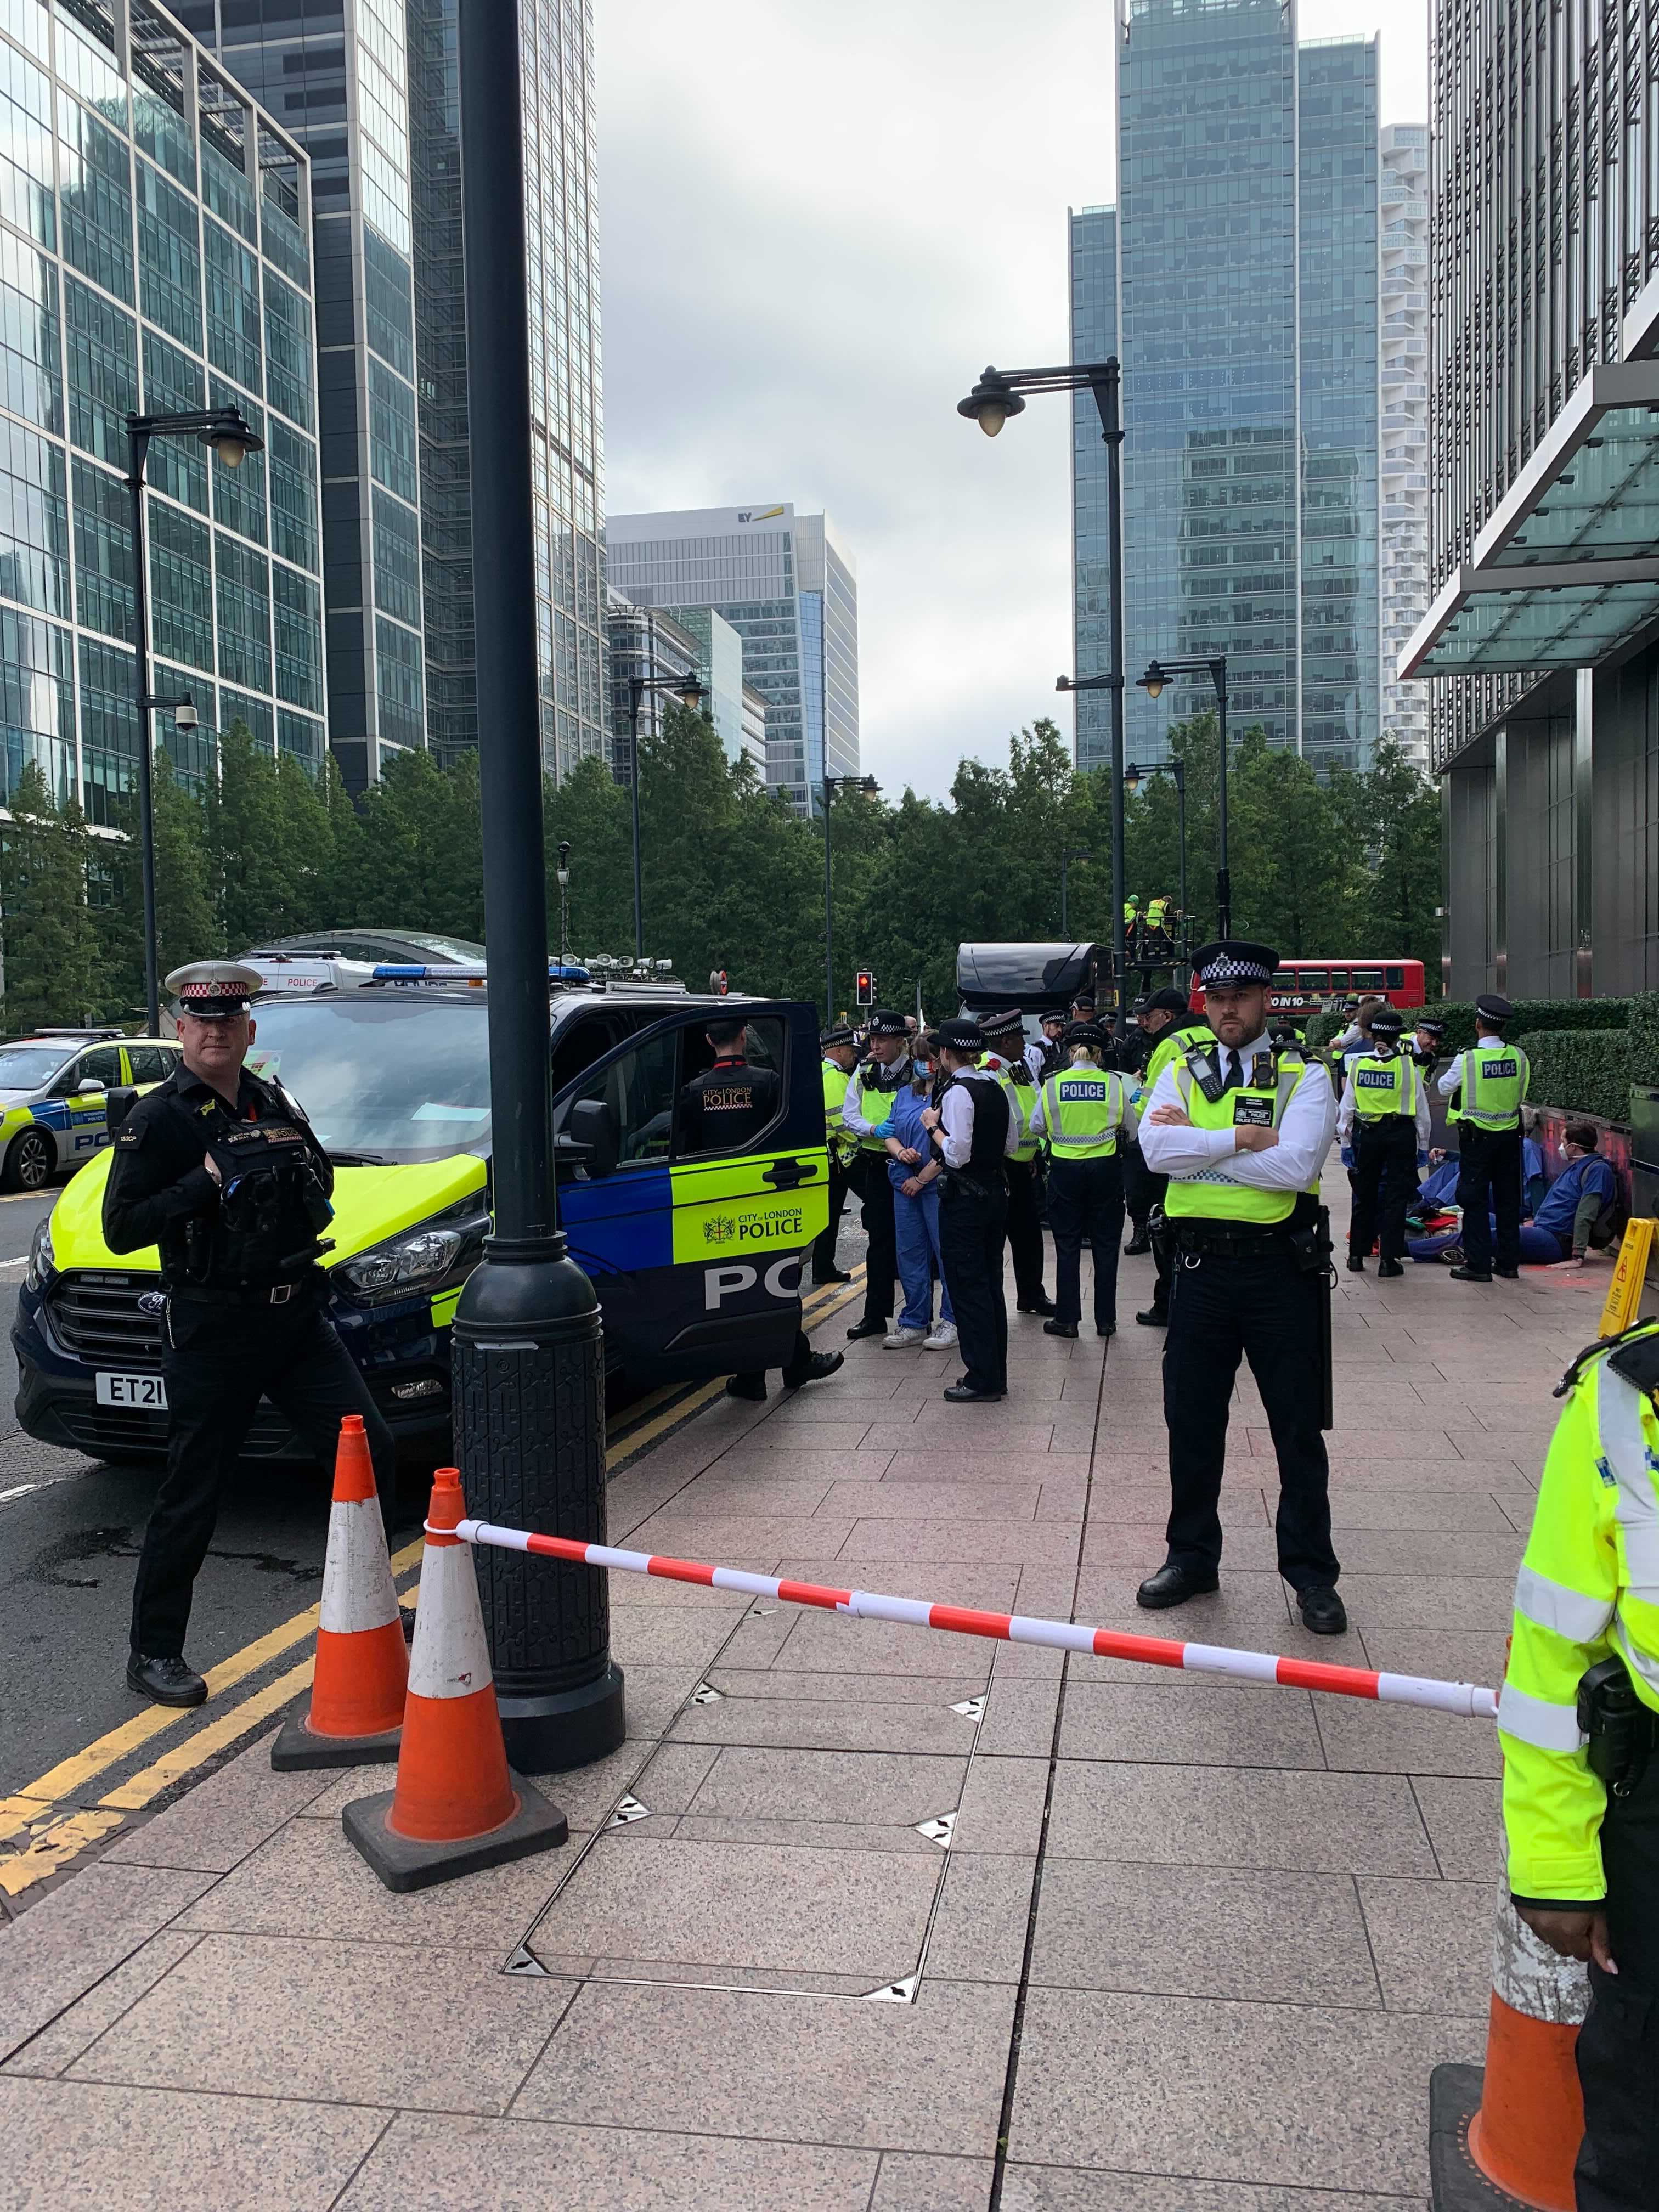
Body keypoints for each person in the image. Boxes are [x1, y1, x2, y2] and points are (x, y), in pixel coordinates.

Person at [106, 963, 398, 1709]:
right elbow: (122, 1228)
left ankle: (376, 1612)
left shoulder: (271, 1098)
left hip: (295, 1316)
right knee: (193, 1492)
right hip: (214, 1324)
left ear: (249, 1030)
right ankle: (155, 1652)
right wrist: (206, 1179)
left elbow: (321, 1181)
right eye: (201, 1020)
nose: (215, 1031)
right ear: (180, 1029)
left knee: (371, 1458)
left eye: (229, 1019)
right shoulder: (158, 1118)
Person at [1494, 1317, 1659, 2212]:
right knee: (1637, 2114)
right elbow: (1554, 1650)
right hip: (1651, 1812)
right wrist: (1554, 1864)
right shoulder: (1626, 1397)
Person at [1136, 940, 1345, 1634]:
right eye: (1218, 999)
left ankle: (1312, 1574)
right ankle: (1191, 1557)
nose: (1230, 1009)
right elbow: (1157, 1152)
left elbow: (1292, 1170)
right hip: (1197, 1273)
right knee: (1192, 1422)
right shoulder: (1181, 1067)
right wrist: (1244, 1138)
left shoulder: (1304, 1074)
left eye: (1243, 997)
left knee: (1296, 1427)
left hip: (1279, 1272)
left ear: (1264, 1001)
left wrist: (1203, 1142)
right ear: (1205, 1003)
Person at [680, 1015, 845, 1402]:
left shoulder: (693, 1091)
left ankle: (753, 1376)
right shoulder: (768, 1083)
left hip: (714, 1204)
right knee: (775, 1283)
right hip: (764, 1200)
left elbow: (687, 1150)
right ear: (743, 1036)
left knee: (735, 1291)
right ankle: (791, 1365)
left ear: (708, 1040)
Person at [921, 1017, 1018, 1402]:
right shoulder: (996, 1085)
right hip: (995, 1191)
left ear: (945, 1053)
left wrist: (933, 1127)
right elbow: (1012, 1143)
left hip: (965, 1200)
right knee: (991, 1285)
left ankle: (982, 1377)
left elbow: (957, 1154)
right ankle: (996, 1372)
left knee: (967, 1285)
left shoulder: (958, 1093)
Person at [1028, 1020, 1135, 1339]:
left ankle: (1067, 1320)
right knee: (1106, 1245)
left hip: (1065, 1171)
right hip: (1105, 1170)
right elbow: (1132, 1130)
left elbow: (1036, 1127)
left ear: (1070, 1050)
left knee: (1067, 1246)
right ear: (1100, 1054)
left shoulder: (1053, 1084)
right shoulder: (1113, 1083)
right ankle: (1106, 1321)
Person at [1437, 992, 1531, 1283]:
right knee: (1507, 1200)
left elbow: (1442, 1088)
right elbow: (1522, 1092)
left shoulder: (1468, 1059)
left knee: (1474, 1201)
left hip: (1477, 1141)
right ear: (1502, 1027)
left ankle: (1477, 1265)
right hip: (1509, 1138)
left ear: (1478, 1024)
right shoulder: (1518, 1055)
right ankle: (1508, 1264)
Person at [1135, 987, 1215, 1324]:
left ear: (1167, 1016)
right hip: (1206, 1138)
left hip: (1172, 1142)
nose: (1144, 1024)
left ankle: (1166, 1303)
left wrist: (1133, 1105)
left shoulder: (1171, 1043)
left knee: (1163, 1228)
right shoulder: (1209, 1034)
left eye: (1149, 1016)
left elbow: (1148, 1103)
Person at [1338, 1007, 1430, 1278]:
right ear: (1396, 1039)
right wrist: (1422, 1146)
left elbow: (1347, 1109)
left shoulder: (1359, 1064)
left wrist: (1345, 1143)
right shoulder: (1408, 1067)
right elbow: (1422, 1114)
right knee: (1395, 1198)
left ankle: (1357, 1255)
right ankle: (1388, 1261)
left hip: (1366, 1136)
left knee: (1364, 1195)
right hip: (1399, 1136)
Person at [879, 1032, 956, 1350]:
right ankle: (914, 1321)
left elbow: (953, 1147)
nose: (924, 1065)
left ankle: (951, 1320)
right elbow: (890, 1132)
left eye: (929, 1058)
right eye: (919, 1058)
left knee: (946, 1253)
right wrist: (900, 1153)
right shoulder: (904, 1094)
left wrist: (922, 1178)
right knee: (909, 1254)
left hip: (934, 1185)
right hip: (904, 1183)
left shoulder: (949, 1095)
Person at [840, 1009, 914, 1339]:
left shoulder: (917, 1073)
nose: (876, 1045)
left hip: (910, 1166)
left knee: (914, 1244)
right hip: (876, 1164)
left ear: (901, 1041)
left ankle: (917, 1314)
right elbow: (848, 1116)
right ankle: (876, 1315)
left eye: (883, 1039)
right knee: (880, 1244)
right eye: (873, 1039)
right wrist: (874, 1129)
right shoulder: (865, 1071)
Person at [980, 1008, 1055, 1317]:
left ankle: (1031, 1295)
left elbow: (1033, 1109)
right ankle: (991, 1300)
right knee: (995, 1238)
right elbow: (1000, 1121)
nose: (1025, 1045)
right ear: (1005, 1041)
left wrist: (1034, 1152)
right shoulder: (990, 1069)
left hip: (1023, 1163)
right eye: (1019, 1040)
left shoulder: (1018, 1066)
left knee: (1028, 1236)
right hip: (1000, 1167)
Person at [812, 1025, 859, 1285]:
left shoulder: (823, 1071)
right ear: (838, 1051)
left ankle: (823, 1266)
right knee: (831, 1214)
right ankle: (823, 1267)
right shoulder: (834, 1077)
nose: (854, 1056)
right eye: (851, 1051)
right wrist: (861, 1143)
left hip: (830, 1155)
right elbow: (843, 1121)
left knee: (828, 1215)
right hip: (840, 1157)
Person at [1029, 1009, 1069, 1081]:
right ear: (1045, 1026)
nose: (1060, 1030)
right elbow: (1033, 1082)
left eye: (1062, 1027)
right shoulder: (1036, 1051)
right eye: (1056, 1026)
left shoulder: (1063, 1047)